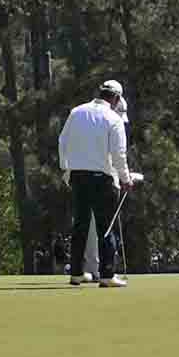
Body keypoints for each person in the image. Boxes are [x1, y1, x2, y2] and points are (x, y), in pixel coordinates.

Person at [55, 78, 140, 286]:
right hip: (102, 179)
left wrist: (66, 169)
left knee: (80, 225)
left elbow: (62, 142)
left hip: (77, 176)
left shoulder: (76, 112)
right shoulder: (113, 118)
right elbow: (119, 155)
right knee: (106, 228)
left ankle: (76, 273)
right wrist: (126, 179)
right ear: (117, 98)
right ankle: (107, 275)